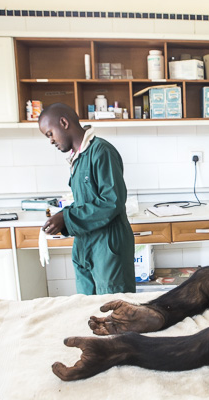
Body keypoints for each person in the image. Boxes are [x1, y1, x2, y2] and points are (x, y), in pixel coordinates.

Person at [39, 103, 135, 295]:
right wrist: (63, 217)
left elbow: (112, 201)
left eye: (50, 134)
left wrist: (67, 218)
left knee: (113, 311)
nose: (50, 141)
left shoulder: (101, 151)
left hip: (107, 245)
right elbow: (87, 201)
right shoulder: (78, 158)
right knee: (85, 307)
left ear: (64, 123)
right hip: (85, 244)